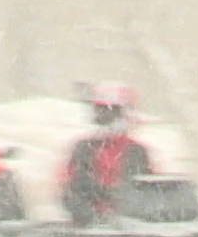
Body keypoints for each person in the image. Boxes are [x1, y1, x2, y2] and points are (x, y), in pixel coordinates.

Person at [60, 81, 153, 225]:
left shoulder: (138, 152)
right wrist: (91, 217)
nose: (104, 117)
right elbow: (70, 191)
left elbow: (149, 193)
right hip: (89, 229)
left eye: (111, 112)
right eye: (100, 111)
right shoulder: (83, 149)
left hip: (130, 228)